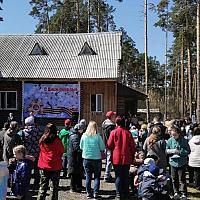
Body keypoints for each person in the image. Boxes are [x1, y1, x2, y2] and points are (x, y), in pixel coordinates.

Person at [107, 116, 136, 200]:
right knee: (126, 175)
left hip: (116, 157)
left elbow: (109, 145)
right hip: (127, 157)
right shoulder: (128, 132)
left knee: (118, 176)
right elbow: (133, 146)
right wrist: (133, 155)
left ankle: (118, 194)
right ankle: (126, 193)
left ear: (116, 123)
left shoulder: (113, 132)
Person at [37, 123, 64, 200]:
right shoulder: (57, 141)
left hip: (44, 165)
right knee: (54, 188)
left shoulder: (42, 139)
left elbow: (40, 149)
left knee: (42, 187)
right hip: (55, 166)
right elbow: (61, 150)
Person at [80, 121, 105, 199]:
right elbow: (102, 147)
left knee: (88, 176)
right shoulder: (98, 136)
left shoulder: (84, 136)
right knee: (97, 177)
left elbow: (81, 147)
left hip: (86, 158)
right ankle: (96, 193)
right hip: (96, 159)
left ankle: (88, 193)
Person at [166, 125, 190, 200]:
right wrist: (171, 151)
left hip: (181, 162)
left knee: (182, 179)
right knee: (174, 178)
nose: (173, 136)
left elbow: (188, 151)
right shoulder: (170, 140)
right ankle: (176, 192)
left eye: (175, 135)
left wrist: (180, 152)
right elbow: (166, 150)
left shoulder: (184, 140)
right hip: (173, 162)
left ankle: (183, 193)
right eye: (172, 135)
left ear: (178, 133)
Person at [22, 117, 42, 190]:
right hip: (36, 152)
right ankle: (36, 184)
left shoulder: (24, 132)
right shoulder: (38, 131)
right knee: (37, 169)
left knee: (27, 170)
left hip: (27, 153)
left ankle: (27, 184)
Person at [68, 122, 85, 193]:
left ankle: (78, 186)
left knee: (78, 172)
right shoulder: (75, 136)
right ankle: (73, 187)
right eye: (82, 129)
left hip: (75, 157)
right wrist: (84, 149)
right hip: (74, 157)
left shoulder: (75, 134)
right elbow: (77, 147)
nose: (83, 130)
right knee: (74, 173)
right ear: (79, 129)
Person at [102, 110, 116, 182]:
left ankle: (107, 173)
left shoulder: (104, 124)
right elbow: (112, 137)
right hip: (110, 145)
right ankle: (106, 176)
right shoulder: (111, 126)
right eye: (114, 115)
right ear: (111, 117)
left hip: (105, 144)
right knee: (109, 160)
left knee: (108, 160)